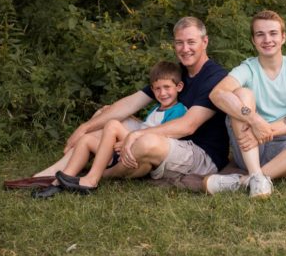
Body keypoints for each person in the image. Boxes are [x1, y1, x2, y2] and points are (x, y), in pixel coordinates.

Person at [5, 16, 230, 199]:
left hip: (200, 154)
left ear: (205, 41)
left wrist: (136, 135)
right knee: (105, 114)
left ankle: (96, 175)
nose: (185, 48)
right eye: (179, 42)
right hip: (171, 142)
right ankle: (50, 175)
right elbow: (131, 103)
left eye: (191, 42)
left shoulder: (214, 76)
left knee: (145, 141)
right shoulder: (176, 73)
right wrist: (84, 127)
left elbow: (188, 126)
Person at [202, 10, 286, 197]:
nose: (267, 39)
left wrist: (264, 130)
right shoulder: (247, 68)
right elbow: (217, 94)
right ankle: (255, 174)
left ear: (283, 37)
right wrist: (253, 120)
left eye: (273, 33)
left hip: (284, 148)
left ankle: (248, 180)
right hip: (249, 147)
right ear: (253, 40)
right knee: (242, 94)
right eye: (260, 34)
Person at [54, 61, 187, 194]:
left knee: (113, 124)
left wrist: (127, 140)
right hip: (125, 148)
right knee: (86, 140)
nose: (162, 93)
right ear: (152, 89)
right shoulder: (157, 108)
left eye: (167, 87)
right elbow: (144, 126)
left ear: (179, 87)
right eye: (157, 88)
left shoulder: (178, 110)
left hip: (141, 151)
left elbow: (164, 136)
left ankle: (91, 179)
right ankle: (62, 180)